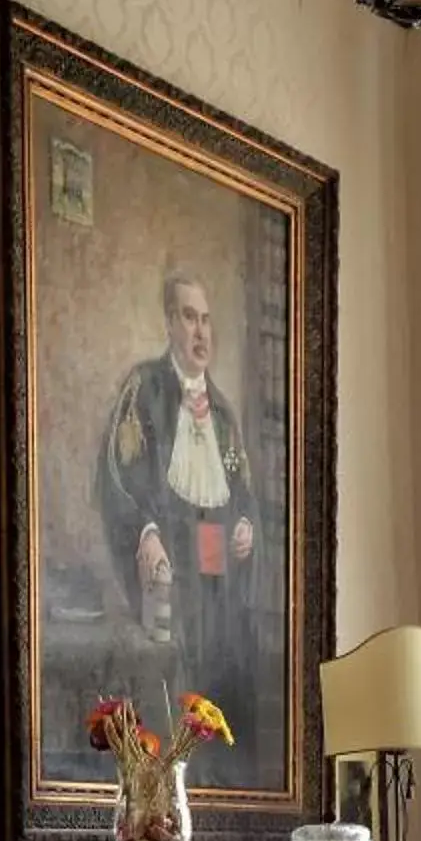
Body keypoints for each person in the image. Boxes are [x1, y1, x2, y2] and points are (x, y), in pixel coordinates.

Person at [93, 271, 258, 772]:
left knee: (217, 677)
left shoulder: (225, 415)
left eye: (207, 320)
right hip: (166, 573)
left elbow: (245, 495)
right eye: (189, 317)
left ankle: (212, 777)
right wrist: (146, 532)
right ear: (169, 323)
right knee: (168, 688)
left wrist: (247, 526)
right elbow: (116, 475)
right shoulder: (143, 389)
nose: (200, 332)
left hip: (215, 580)